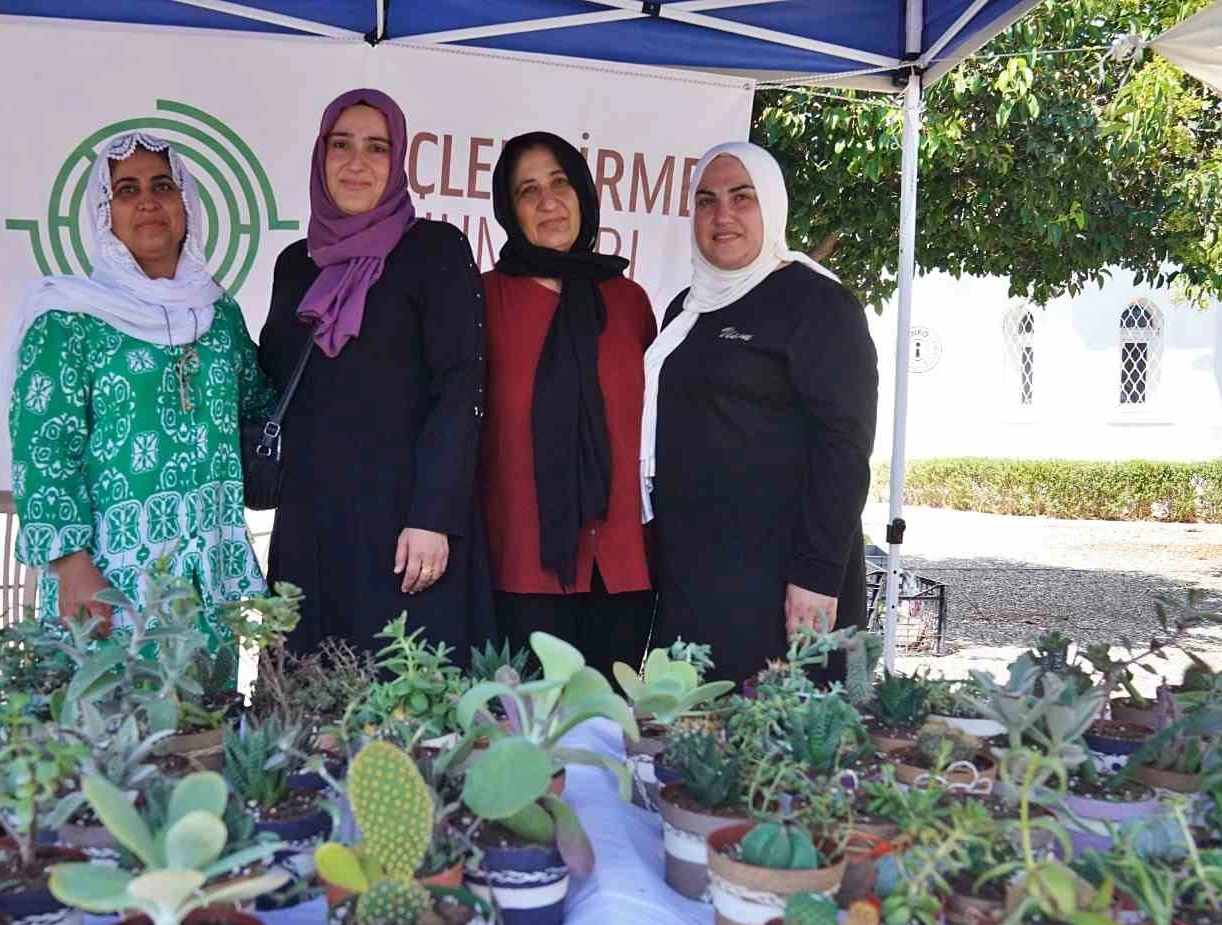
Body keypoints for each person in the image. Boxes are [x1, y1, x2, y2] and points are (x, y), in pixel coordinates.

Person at [8, 131, 275, 678]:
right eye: (126, 190)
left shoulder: (218, 315)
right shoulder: (69, 319)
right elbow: (43, 452)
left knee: (205, 717)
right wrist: (71, 564)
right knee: (109, 720)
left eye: (163, 186)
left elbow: (261, 405)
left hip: (207, 575)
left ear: (186, 203)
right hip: (110, 576)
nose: (148, 202)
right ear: (105, 213)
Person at [257, 88, 493, 662]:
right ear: (321, 156)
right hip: (311, 524)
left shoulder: (434, 250)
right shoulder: (296, 264)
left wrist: (433, 516)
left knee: (404, 689)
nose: (356, 163)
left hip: (404, 528)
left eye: (377, 148)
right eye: (341, 145)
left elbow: (460, 389)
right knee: (308, 692)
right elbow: (272, 381)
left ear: (398, 161)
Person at [640, 141, 877, 685]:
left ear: (771, 204)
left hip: (784, 578)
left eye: (741, 197)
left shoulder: (820, 305)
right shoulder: (686, 310)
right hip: (696, 575)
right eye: (706, 200)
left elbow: (844, 448)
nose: (722, 215)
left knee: (784, 726)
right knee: (696, 722)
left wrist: (817, 574)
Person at [479, 131, 656, 674]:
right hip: (522, 566)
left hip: (621, 569)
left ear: (583, 193)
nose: (548, 202)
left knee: (610, 723)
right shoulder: (484, 299)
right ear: (509, 210)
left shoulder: (629, 302)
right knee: (525, 724)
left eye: (560, 183)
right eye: (527, 190)